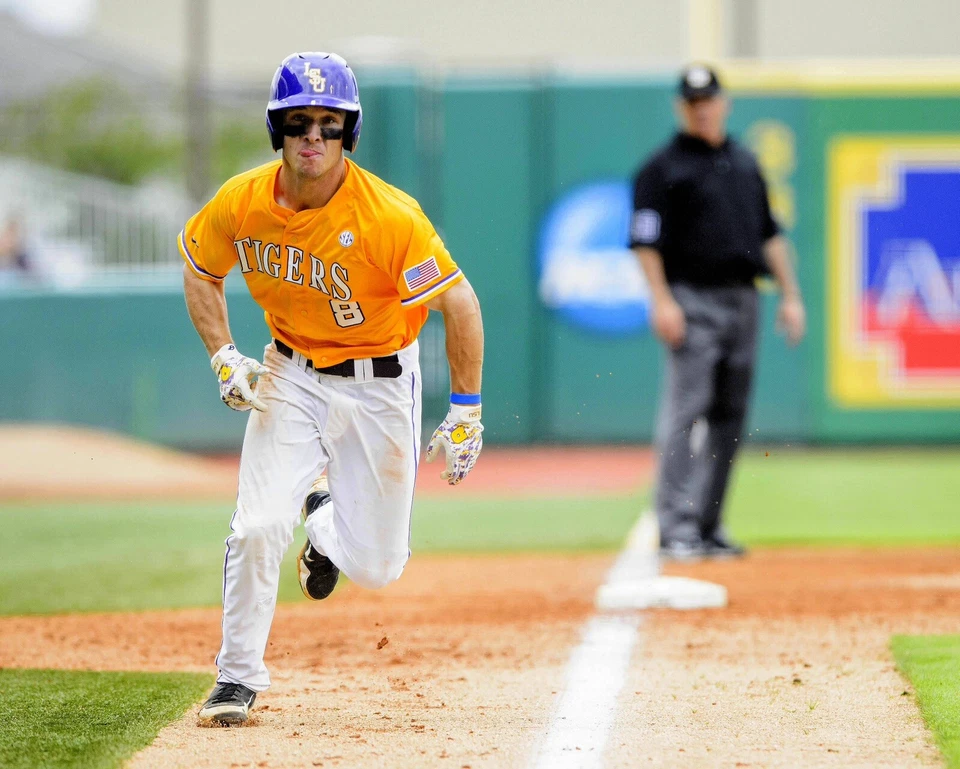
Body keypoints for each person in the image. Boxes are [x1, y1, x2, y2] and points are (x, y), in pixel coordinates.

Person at [180, 52, 484, 725]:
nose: (313, 135)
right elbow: (201, 267)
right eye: (298, 122)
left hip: (380, 384)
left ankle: (322, 522)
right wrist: (224, 355)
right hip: (289, 372)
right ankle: (236, 676)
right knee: (258, 525)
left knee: (377, 567)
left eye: (329, 122)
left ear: (350, 131)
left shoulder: (388, 217)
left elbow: (460, 302)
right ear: (277, 129)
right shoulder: (242, 201)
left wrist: (466, 409)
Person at [630, 65, 805, 560]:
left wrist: (791, 295)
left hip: (744, 298)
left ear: (724, 103)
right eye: (692, 102)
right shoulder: (661, 167)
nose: (701, 109)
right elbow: (645, 242)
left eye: (708, 100)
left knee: (730, 416)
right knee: (686, 412)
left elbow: (770, 235)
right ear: (680, 108)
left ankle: (708, 523)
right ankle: (675, 526)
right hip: (692, 298)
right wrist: (662, 299)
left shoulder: (745, 163)